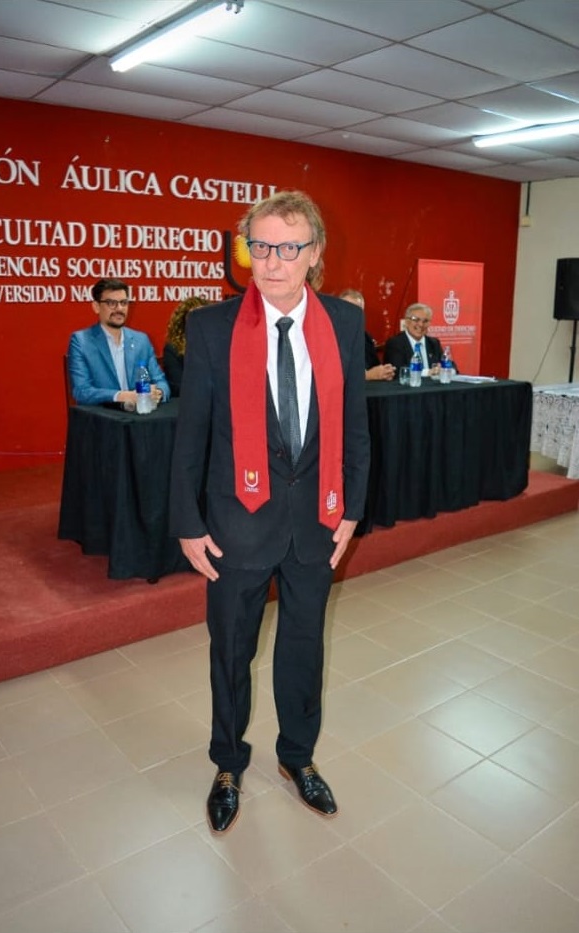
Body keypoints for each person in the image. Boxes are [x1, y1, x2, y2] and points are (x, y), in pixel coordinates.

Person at [169, 190, 370, 834]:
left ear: (314, 253)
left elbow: (356, 426)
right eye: (260, 246)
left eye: (288, 247)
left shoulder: (344, 324)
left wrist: (352, 509)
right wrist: (187, 521)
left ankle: (297, 757)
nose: (272, 262)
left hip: (317, 522)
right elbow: (191, 434)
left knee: (304, 648)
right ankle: (228, 763)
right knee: (231, 651)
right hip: (237, 523)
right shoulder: (212, 328)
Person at [67, 278, 170, 407]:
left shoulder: (141, 340)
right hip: (103, 415)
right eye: (111, 303)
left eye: (123, 302)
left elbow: (161, 382)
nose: (119, 308)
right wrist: (122, 396)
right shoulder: (81, 341)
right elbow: (82, 391)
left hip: (139, 414)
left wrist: (158, 393)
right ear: (96, 307)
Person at [383, 302, 457, 376]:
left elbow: (451, 366)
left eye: (425, 321)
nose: (421, 324)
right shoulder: (395, 343)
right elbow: (398, 370)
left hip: (433, 383)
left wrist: (445, 369)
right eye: (416, 320)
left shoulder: (434, 343)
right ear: (407, 321)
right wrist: (428, 372)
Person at [339, 288, 395, 381]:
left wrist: (384, 372)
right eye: (348, 309)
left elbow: (375, 366)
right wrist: (368, 375)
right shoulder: (330, 337)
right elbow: (334, 375)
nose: (352, 314)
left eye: (357, 310)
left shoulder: (365, 336)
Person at [162, 295, 210, 396]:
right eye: (193, 319)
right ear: (183, 321)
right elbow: (178, 386)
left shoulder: (218, 345)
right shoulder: (173, 349)